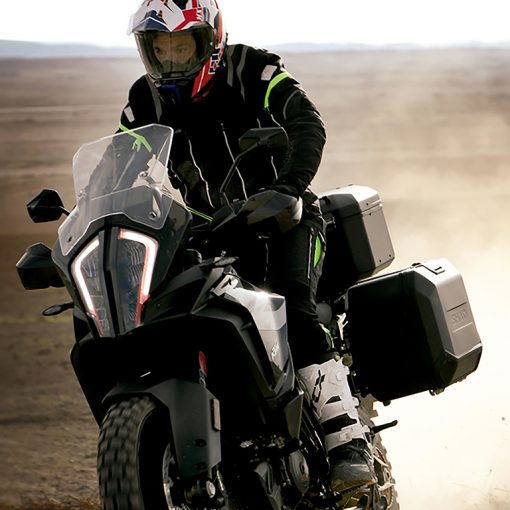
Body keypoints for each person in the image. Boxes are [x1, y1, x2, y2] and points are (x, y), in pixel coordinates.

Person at [119, 0, 375, 492]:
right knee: (169, 315)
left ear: (210, 41)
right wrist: (96, 219)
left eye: (180, 46)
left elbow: (306, 122)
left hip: (283, 218)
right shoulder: (143, 101)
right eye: (159, 48)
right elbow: (120, 166)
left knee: (292, 307)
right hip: (210, 235)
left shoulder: (252, 69)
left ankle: (347, 443)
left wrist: (289, 187)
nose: (170, 60)